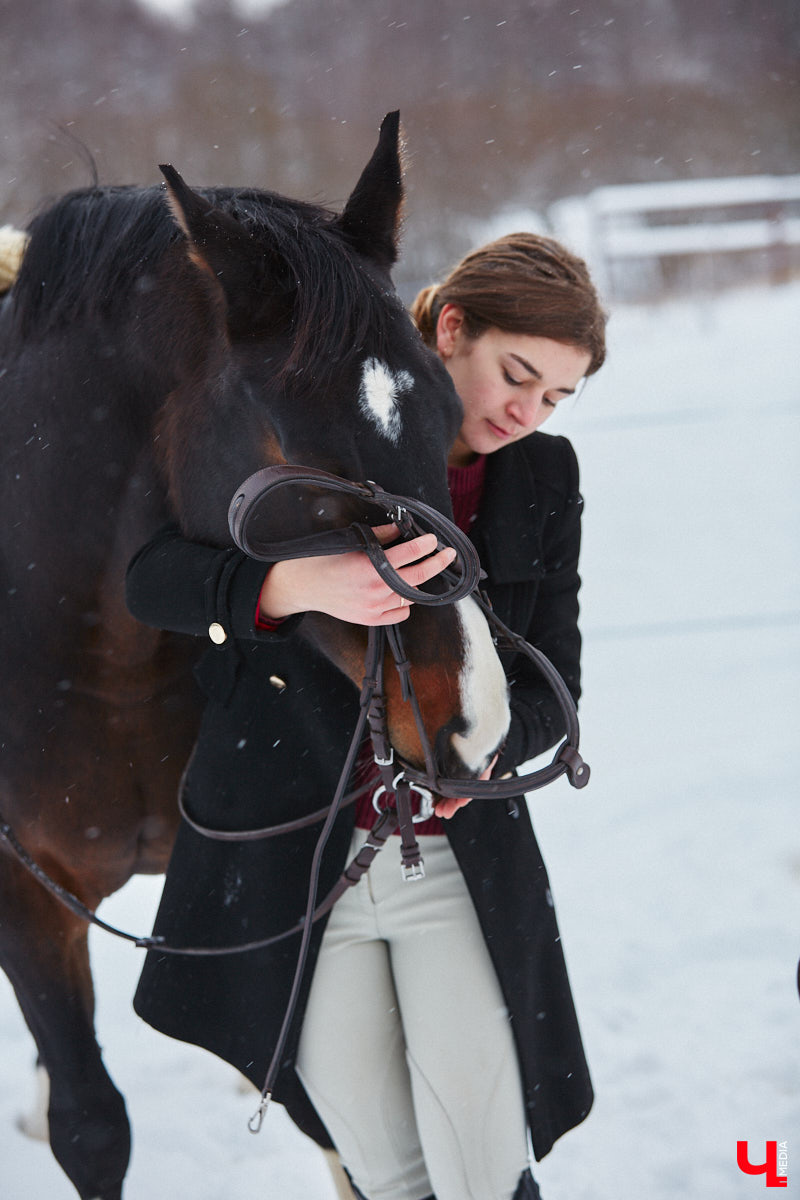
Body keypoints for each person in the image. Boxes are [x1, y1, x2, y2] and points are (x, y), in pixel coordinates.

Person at [126, 231, 607, 1200]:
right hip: (295, 866)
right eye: (516, 374)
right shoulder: (310, 425)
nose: (527, 410)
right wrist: (290, 584)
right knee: (383, 1178)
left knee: (478, 1172)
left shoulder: (541, 478)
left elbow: (552, 679)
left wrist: (479, 754)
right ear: (450, 326)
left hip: (452, 866)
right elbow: (151, 580)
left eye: (555, 396)